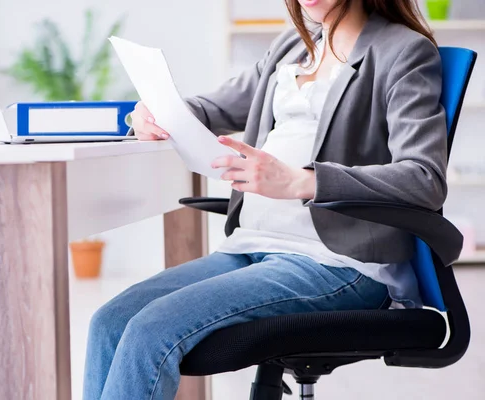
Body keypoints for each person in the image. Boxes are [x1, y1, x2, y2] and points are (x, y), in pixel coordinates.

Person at [84, 0, 448, 398]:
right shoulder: (293, 47)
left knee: (150, 331)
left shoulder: (403, 51)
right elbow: (212, 108)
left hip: (336, 263)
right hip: (253, 246)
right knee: (109, 320)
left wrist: (302, 182)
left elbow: (424, 178)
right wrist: (153, 115)